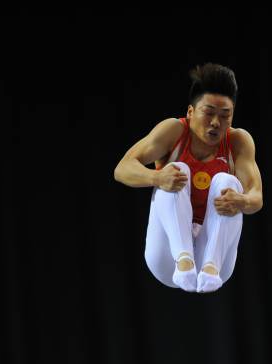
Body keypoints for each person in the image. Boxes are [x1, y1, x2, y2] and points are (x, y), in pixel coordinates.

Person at [113, 63, 263, 293]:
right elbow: (122, 169)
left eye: (225, 116)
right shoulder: (173, 131)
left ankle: (211, 265)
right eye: (209, 112)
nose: (216, 122)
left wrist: (242, 201)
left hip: (215, 262)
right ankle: (184, 257)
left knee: (229, 183)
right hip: (167, 259)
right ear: (191, 112)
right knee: (176, 170)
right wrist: (157, 177)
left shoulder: (238, 141)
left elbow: (256, 197)